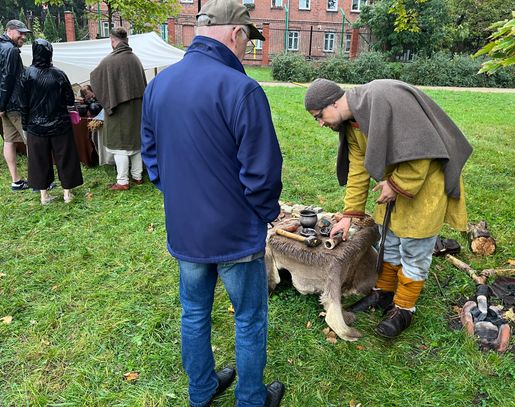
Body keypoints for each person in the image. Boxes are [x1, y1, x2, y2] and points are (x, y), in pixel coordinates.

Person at [141, 1, 285, 406]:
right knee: (250, 318)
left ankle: (201, 390)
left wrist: (178, 196)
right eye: (248, 39)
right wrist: (266, 215)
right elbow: (262, 171)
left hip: (186, 228)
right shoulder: (241, 89)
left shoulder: (159, 85)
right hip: (235, 233)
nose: (248, 48)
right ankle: (250, 399)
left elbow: (151, 156)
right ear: (235, 33)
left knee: (193, 312)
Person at [304, 78, 473, 338]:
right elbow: (358, 168)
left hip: (425, 184)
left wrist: (396, 184)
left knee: (414, 250)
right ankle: (384, 293)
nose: (320, 123)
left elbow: (423, 151)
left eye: (319, 116)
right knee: (389, 242)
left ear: (334, 103)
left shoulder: (383, 97)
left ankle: (404, 308)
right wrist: (350, 214)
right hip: (393, 186)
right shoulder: (352, 124)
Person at [21, 39, 83, 205]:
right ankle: (67, 193)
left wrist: (25, 125)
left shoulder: (26, 75)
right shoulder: (59, 74)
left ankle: (44, 195)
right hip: (60, 124)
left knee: (39, 160)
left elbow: (23, 104)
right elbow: (70, 100)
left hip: (36, 126)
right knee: (65, 157)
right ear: (50, 53)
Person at [90, 27, 145, 190]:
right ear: (126, 40)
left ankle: (122, 181)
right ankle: (137, 176)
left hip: (118, 109)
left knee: (119, 145)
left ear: (113, 41)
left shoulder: (109, 60)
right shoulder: (135, 59)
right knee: (135, 142)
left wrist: (110, 97)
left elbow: (95, 78)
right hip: (136, 109)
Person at [0, 20, 31, 191]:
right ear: (10, 31)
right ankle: (38, 180)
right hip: (14, 105)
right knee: (32, 141)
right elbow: (8, 79)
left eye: (25, 33)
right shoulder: (10, 50)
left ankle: (16, 181)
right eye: (21, 33)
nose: (23, 37)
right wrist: (2, 105)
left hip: (5, 105)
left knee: (9, 141)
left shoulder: (1, 46)